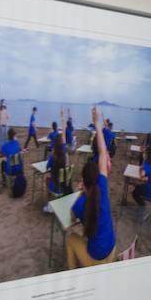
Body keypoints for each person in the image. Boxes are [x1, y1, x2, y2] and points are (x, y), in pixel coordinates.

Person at [67, 107, 117, 268]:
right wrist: (97, 122)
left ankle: (73, 273)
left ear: (84, 181)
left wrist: (78, 191)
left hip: (97, 258)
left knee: (71, 238)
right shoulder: (102, 186)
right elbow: (103, 152)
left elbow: (71, 218)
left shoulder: (80, 203)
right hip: (112, 250)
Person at [132, 144, 151, 208]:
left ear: (147, 155)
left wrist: (142, 168)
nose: (144, 154)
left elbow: (141, 175)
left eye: (145, 153)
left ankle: (142, 206)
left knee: (134, 192)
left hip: (149, 191)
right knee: (138, 186)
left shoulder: (147, 165)